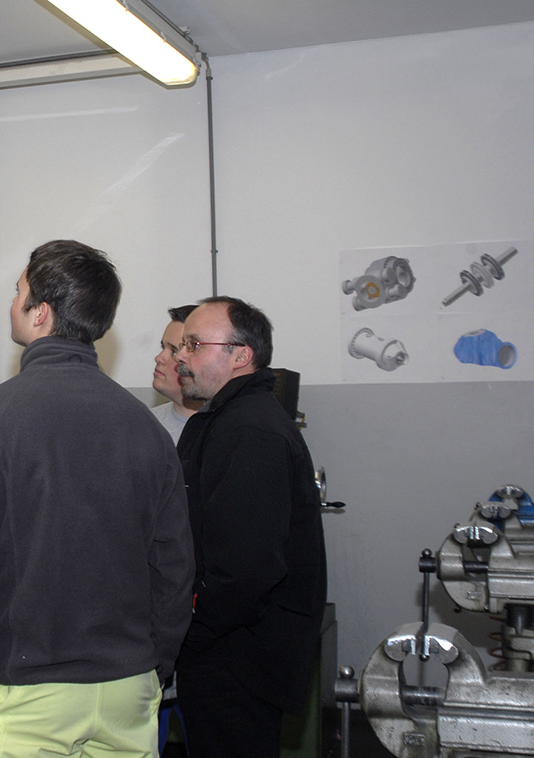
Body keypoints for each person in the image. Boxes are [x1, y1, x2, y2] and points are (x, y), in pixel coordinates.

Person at [0, 240, 194, 758]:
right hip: (129, 690)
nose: (12, 303)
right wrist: (156, 666)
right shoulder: (146, 427)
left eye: (17, 292)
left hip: (24, 697)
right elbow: (174, 567)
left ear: (40, 313)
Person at [173, 296, 327, 758]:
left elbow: (244, 570)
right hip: (226, 652)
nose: (181, 356)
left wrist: (188, 634)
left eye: (194, 345)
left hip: (237, 660)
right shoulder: (222, 420)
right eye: (181, 345)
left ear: (241, 355)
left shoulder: (249, 432)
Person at [151, 304, 203, 443]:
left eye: (174, 351)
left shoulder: (229, 428)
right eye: (163, 347)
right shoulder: (144, 423)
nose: (159, 358)